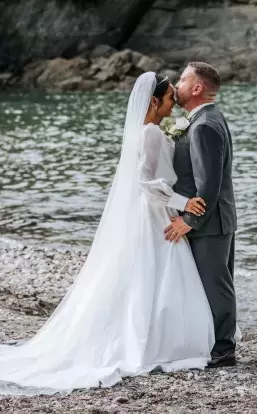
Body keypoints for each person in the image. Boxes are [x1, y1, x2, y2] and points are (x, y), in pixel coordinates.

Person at [0, 72, 215, 396]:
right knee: (156, 275)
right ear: (154, 101)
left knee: (144, 276)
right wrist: (184, 202)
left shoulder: (147, 131)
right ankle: (159, 341)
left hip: (152, 213)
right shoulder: (151, 134)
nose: (174, 103)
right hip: (155, 215)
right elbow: (146, 184)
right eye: (170, 97)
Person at [165, 62, 238, 367]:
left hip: (209, 223)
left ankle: (223, 349)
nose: (176, 85)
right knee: (212, 283)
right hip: (215, 220)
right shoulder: (205, 119)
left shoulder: (205, 124)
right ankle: (213, 342)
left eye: (182, 80)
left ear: (196, 88)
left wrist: (188, 220)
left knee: (215, 284)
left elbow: (208, 183)